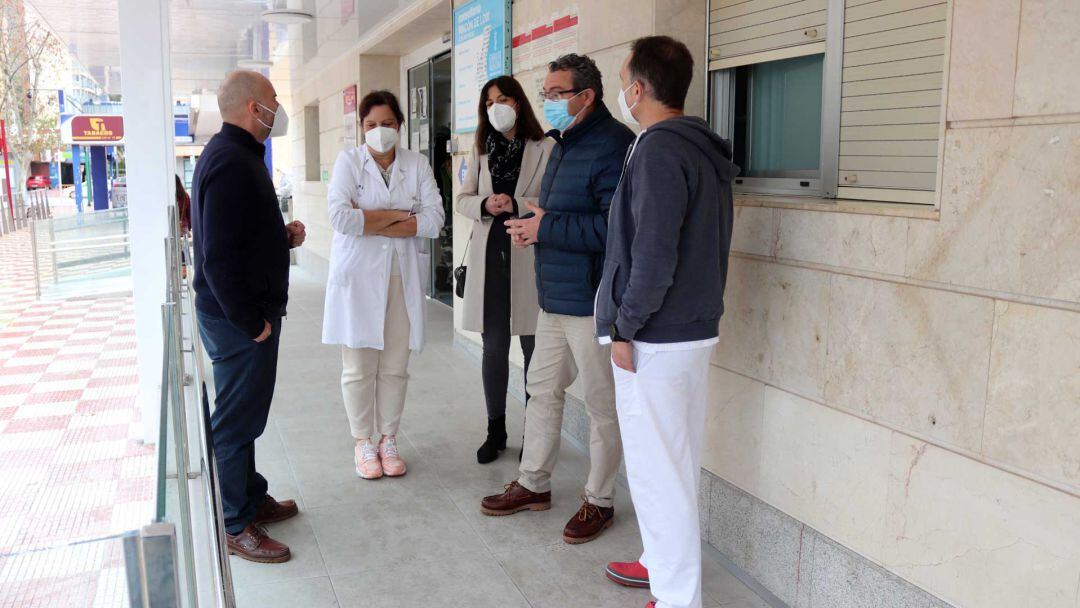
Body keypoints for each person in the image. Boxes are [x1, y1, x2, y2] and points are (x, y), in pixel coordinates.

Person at [596, 37, 738, 608]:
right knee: (668, 460)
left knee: (662, 472)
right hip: (685, 328)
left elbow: (653, 254)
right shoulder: (692, 145)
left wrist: (626, 328)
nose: (621, 89)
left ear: (639, 88)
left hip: (656, 334)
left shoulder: (658, 149)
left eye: (623, 79)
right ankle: (659, 564)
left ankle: (679, 598)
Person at [481, 54, 635, 545]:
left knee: (600, 405)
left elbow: (617, 228)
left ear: (585, 96)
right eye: (544, 93)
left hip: (592, 302)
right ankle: (533, 484)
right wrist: (538, 223)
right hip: (553, 296)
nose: (547, 102)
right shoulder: (562, 145)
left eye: (555, 93)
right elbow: (565, 213)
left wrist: (547, 226)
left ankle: (599, 500)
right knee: (541, 392)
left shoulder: (614, 146)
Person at [191, 70, 307, 563]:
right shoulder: (230, 161)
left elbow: (240, 238)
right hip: (238, 320)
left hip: (247, 314)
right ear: (251, 108)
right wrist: (250, 322)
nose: (278, 109)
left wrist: (280, 237)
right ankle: (234, 523)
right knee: (236, 421)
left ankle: (250, 495)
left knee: (248, 414)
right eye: (273, 101)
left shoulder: (239, 156)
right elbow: (216, 257)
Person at [322, 90, 445, 480]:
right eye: (371, 125)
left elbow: (434, 220)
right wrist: (400, 218)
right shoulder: (349, 162)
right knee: (359, 365)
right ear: (361, 128)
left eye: (388, 124)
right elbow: (341, 219)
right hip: (358, 277)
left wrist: (372, 219)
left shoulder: (417, 163)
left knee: (395, 364)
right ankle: (362, 442)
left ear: (400, 126)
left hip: (401, 275)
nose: (380, 132)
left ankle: (388, 438)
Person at [456, 75, 552, 464]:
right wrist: (483, 204)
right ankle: (496, 429)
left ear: (519, 102)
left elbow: (552, 200)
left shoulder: (545, 148)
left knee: (534, 348)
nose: (496, 106)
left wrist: (516, 203)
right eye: (489, 101)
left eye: (503, 98)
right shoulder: (481, 150)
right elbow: (462, 199)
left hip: (528, 254)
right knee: (493, 347)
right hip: (490, 254)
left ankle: (536, 433)